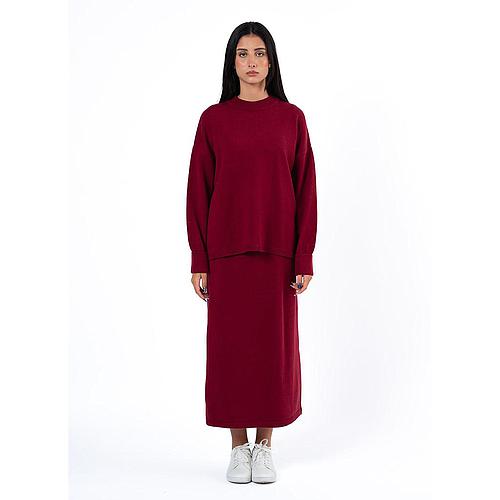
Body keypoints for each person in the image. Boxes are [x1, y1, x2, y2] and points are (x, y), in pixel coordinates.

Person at [185, 21, 317, 484]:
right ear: (232, 62)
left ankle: (265, 446)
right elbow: (198, 192)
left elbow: (306, 191)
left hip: (278, 255)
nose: (252, 62)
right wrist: (199, 258)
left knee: (272, 354)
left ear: (271, 61)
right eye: (242, 54)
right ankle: (238, 447)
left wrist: (303, 256)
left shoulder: (291, 118)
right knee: (231, 354)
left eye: (259, 53)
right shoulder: (213, 121)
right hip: (226, 255)